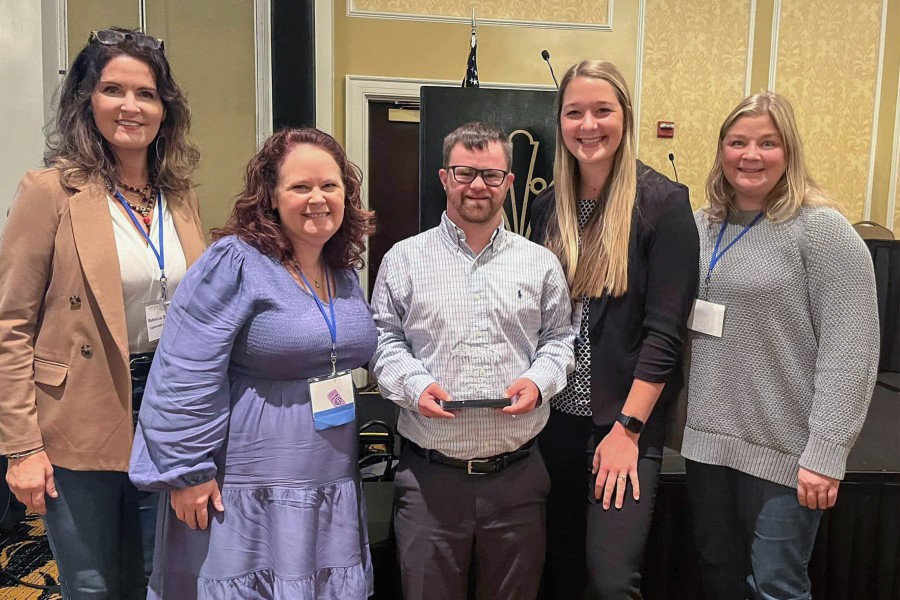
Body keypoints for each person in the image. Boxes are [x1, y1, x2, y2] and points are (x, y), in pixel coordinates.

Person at [129, 127, 377, 599]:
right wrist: (188, 472)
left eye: (329, 185)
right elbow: (183, 371)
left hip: (329, 472)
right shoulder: (235, 262)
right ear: (270, 196)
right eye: (299, 186)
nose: (317, 198)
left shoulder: (341, 269)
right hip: (247, 482)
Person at [0, 27, 204, 599]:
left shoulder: (178, 195)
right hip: (78, 410)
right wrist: (22, 448)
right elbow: (10, 326)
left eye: (146, 93)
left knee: (157, 575)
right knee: (92, 584)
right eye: (113, 89)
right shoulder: (49, 192)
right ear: (87, 101)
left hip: (165, 406)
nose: (131, 106)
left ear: (166, 109)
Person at [683, 91, 879, 600]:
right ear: (721, 150)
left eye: (768, 143)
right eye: (738, 142)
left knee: (777, 585)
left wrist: (826, 451)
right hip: (708, 446)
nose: (751, 155)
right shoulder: (700, 226)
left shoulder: (821, 230)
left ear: (789, 152)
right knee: (719, 576)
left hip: (787, 455)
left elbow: (851, 351)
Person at [370, 121, 575, 600]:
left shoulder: (539, 262)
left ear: (509, 181)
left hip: (518, 480)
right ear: (444, 178)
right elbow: (382, 340)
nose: (477, 185)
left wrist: (540, 381)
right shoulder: (403, 259)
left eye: (490, 174)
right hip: (429, 479)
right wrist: (413, 385)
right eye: (464, 173)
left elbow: (561, 339)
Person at [529, 60, 699, 599]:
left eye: (602, 110)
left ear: (625, 115)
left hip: (623, 427)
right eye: (574, 112)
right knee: (560, 571)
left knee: (609, 579)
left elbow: (664, 336)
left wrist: (626, 431)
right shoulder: (545, 208)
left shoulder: (663, 205)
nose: (588, 125)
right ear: (559, 122)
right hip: (555, 423)